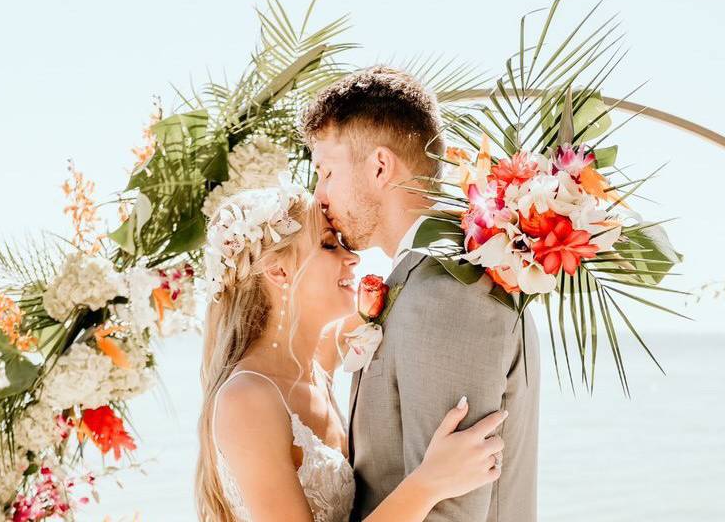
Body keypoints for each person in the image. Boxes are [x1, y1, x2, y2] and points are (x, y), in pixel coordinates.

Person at [302, 66, 540, 522]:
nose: (320, 196)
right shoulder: (420, 280)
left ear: (379, 166)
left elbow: (449, 513)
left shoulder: (450, 293)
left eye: (327, 172)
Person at [194, 176, 509, 522]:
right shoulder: (247, 398)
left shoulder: (317, 362)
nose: (353, 258)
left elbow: (411, 285)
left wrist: (510, 222)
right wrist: (429, 483)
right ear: (279, 271)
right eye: (330, 245)